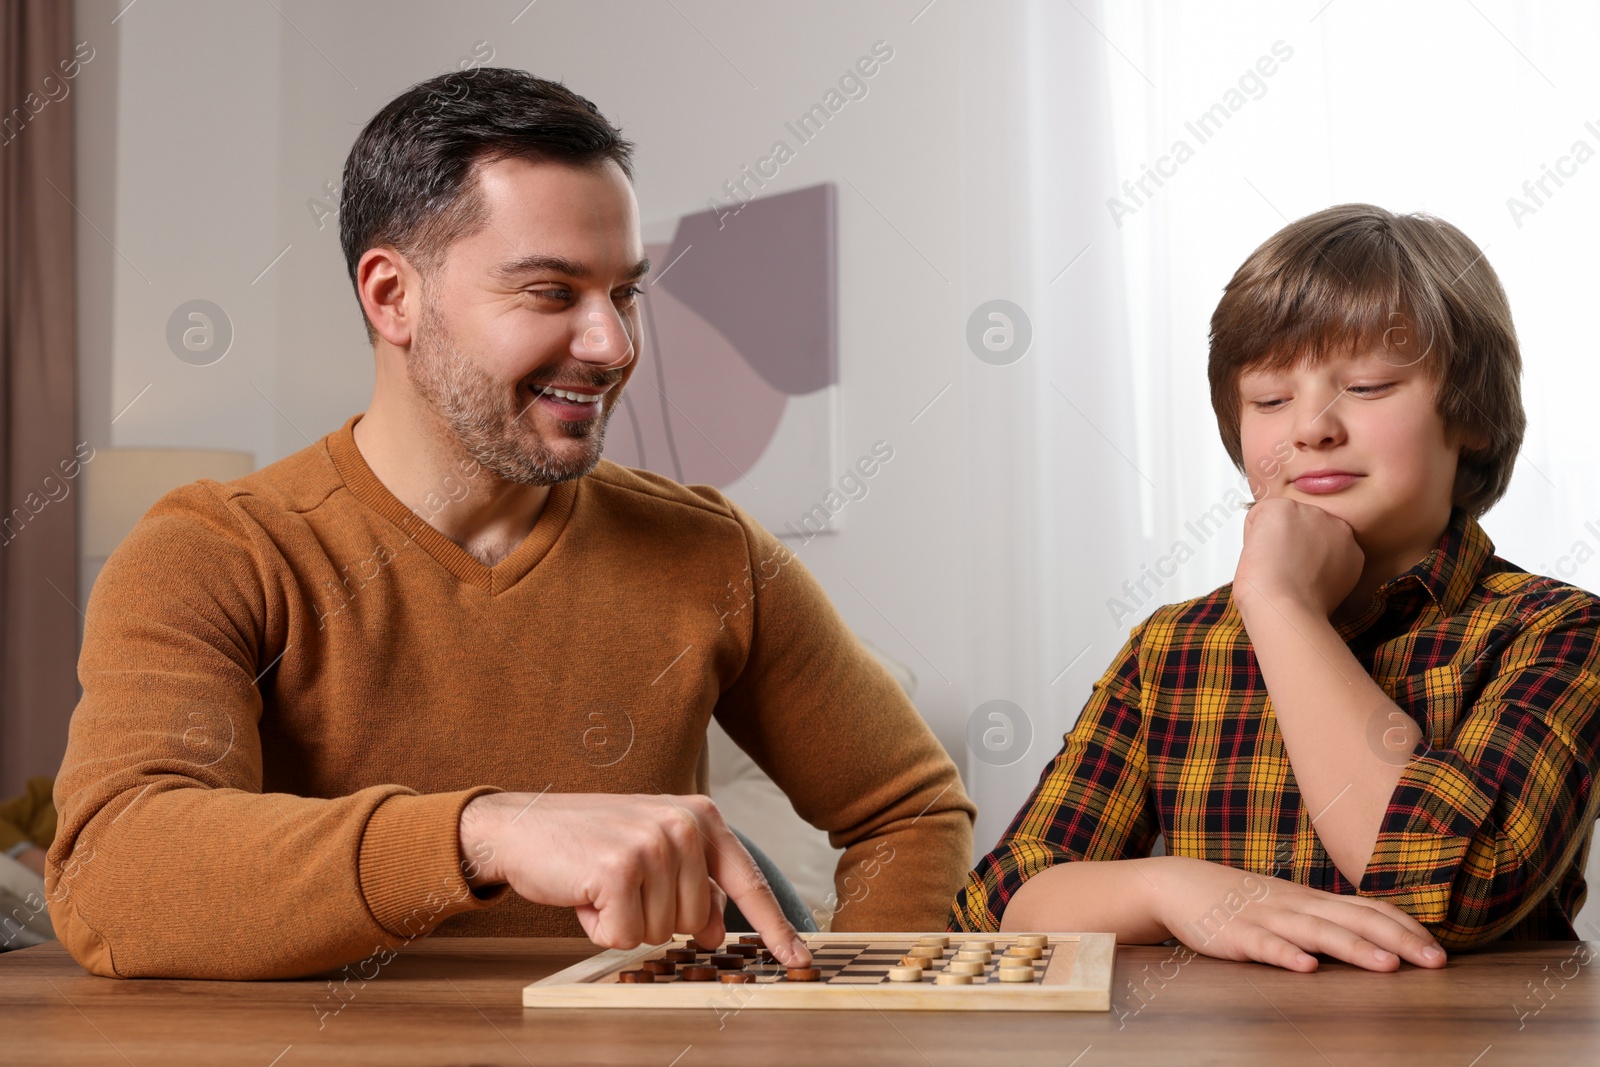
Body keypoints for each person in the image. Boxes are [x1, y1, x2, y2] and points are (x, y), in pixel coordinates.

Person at [47, 68, 974, 980]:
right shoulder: (214, 549)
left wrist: (853, 1016)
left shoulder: (712, 550)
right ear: (391, 296)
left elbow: (909, 808)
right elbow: (113, 871)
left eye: (625, 291)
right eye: (550, 292)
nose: (612, 343)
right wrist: (485, 832)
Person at [951, 203, 1600, 974]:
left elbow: (1446, 891)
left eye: (1365, 385)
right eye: (1269, 399)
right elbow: (998, 904)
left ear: (1476, 417)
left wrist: (1282, 607)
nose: (1312, 428)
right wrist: (1168, 886)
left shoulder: (1556, 633)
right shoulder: (1174, 648)